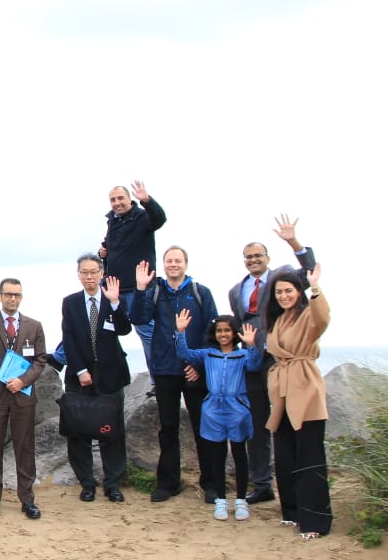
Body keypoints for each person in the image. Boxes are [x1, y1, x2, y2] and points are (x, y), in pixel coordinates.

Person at [226, 215, 316, 505]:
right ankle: (262, 484)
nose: (253, 260)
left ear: (267, 257)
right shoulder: (234, 291)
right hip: (252, 363)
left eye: (257, 255)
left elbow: (310, 272)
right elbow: (241, 325)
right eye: (248, 257)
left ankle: (298, 484)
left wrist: (294, 241)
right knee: (257, 425)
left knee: (289, 422)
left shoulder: (283, 278)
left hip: (282, 361)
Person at [130, 247, 220, 502]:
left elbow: (212, 332)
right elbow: (138, 316)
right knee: (167, 428)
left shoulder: (200, 292)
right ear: (164, 264)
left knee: (203, 427)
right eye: (169, 261)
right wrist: (139, 287)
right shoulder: (156, 290)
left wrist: (199, 364)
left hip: (194, 372)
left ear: (186, 264)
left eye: (177, 260)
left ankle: (211, 484)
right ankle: (168, 483)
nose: (173, 264)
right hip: (165, 369)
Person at [263, 264, 331, 539]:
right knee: (285, 455)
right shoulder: (279, 319)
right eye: (279, 292)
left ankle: (315, 522)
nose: (283, 296)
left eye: (288, 290)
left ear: (297, 292)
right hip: (281, 392)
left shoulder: (307, 316)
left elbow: (323, 319)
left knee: (309, 457)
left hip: (304, 389)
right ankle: (292, 512)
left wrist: (315, 287)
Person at [0, 278, 48, 520]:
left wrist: (23, 381)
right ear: (0, 296)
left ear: (21, 297)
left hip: (22, 394)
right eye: (8, 294)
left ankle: (28, 499)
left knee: (25, 448)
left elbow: (40, 360)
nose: (12, 298)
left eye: (16, 295)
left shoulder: (34, 326)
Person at [175, 311, 262, 521]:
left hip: (237, 408)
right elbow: (184, 353)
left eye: (227, 330)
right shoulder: (207, 354)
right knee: (217, 455)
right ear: (214, 333)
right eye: (219, 331)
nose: (223, 334)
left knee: (240, 454)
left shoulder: (242, 356)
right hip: (213, 409)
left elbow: (255, 364)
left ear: (234, 333)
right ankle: (221, 500)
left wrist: (251, 344)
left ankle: (241, 500)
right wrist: (180, 332)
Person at [61, 254, 132, 503]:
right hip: (79, 376)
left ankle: (113, 483)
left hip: (111, 376)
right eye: (84, 272)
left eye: (93, 272)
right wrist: (80, 370)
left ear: (101, 273)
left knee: (112, 431)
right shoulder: (70, 302)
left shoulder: (113, 300)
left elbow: (124, 329)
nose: (89, 277)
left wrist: (114, 303)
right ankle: (86, 483)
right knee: (78, 431)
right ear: (78, 274)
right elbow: (68, 339)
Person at [99, 181, 166, 373]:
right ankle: (59, 359)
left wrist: (147, 201)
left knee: (146, 332)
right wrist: (102, 252)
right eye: (113, 200)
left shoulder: (142, 217)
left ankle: (158, 378)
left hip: (139, 288)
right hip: (113, 288)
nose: (117, 203)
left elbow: (159, 219)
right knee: (92, 322)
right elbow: (108, 246)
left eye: (120, 198)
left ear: (130, 199)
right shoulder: (113, 221)